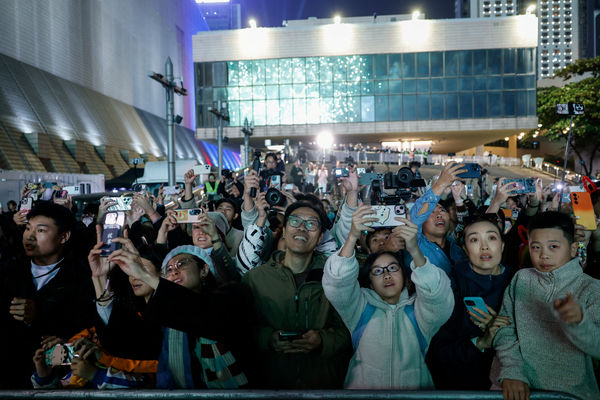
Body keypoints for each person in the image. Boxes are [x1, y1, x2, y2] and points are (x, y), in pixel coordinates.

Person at [322, 205, 453, 389]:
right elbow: (337, 282)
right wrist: (352, 236)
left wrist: (414, 249)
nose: (386, 275)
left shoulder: (419, 312)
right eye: (377, 271)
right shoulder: (359, 309)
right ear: (369, 281)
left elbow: (438, 294)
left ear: (406, 277)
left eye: (393, 268)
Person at [242, 201, 351, 389]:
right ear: (283, 231)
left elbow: (350, 330)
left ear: (320, 238)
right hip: (270, 386)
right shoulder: (256, 279)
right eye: (295, 221)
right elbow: (241, 329)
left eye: (311, 224)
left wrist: (322, 340)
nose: (302, 228)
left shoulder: (335, 277)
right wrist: (267, 339)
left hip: (323, 386)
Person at [492, 211, 600, 400]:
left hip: (572, 393)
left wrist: (579, 323)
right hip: (516, 389)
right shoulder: (522, 278)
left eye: (553, 246)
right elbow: (504, 328)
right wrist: (512, 371)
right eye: (536, 247)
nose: (544, 255)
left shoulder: (590, 288)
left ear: (573, 248)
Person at [0, 202, 95, 389]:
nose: (29, 236)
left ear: (64, 236)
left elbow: (88, 329)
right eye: (28, 228)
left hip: (56, 382)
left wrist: (39, 316)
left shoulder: (83, 277)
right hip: (8, 378)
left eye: (41, 230)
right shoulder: (9, 271)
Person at [426, 215, 514, 390]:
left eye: (491, 237)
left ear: (502, 245)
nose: (484, 246)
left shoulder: (519, 282)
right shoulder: (450, 287)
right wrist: (480, 342)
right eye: (474, 239)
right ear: (465, 249)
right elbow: (437, 351)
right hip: (461, 386)